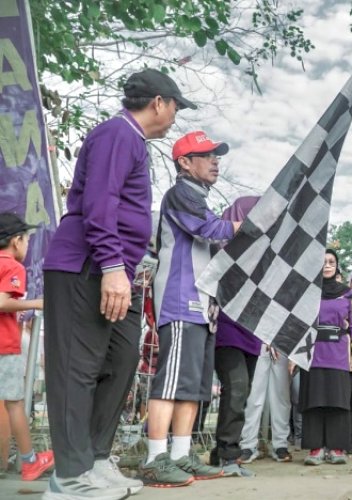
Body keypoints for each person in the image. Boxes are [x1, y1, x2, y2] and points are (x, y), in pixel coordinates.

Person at [42, 68, 195, 499]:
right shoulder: (117, 133)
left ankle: (95, 459)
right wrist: (111, 264)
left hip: (119, 272)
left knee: (122, 359)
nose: (175, 116)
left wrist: (125, 268)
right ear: (159, 102)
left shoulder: (137, 144)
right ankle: (68, 476)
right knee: (78, 368)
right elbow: (98, 203)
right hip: (86, 267)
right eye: (176, 106)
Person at [140, 131, 240, 487]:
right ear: (184, 162)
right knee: (170, 382)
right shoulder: (181, 193)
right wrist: (254, 226)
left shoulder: (199, 196)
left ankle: (182, 455)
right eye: (207, 154)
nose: (215, 161)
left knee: (194, 385)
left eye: (217, 154)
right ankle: (154, 458)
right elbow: (211, 230)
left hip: (202, 305)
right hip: (180, 299)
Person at [209, 196, 262, 477]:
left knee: (243, 392)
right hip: (226, 328)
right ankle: (230, 454)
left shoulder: (264, 254)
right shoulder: (219, 251)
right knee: (237, 386)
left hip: (253, 331)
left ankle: (221, 452)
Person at [0, 213, 54, 481]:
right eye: (26, 240)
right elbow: (2, 302)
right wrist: (35, 303)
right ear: (15, 240)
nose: (28, 246)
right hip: (4, 346)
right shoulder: (11, 267)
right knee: (15, 403)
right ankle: (30, 460)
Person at [300, 249, 352, 465]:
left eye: (331, 262)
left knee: (338, 401)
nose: (327, 265)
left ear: (336, 266)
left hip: (339, 354)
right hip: (311, 353)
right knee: (314, 400)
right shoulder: (307, 292)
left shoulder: (347, 293)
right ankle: (316, 448)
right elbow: (297, 324)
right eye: (323, 262)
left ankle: (337, 448)